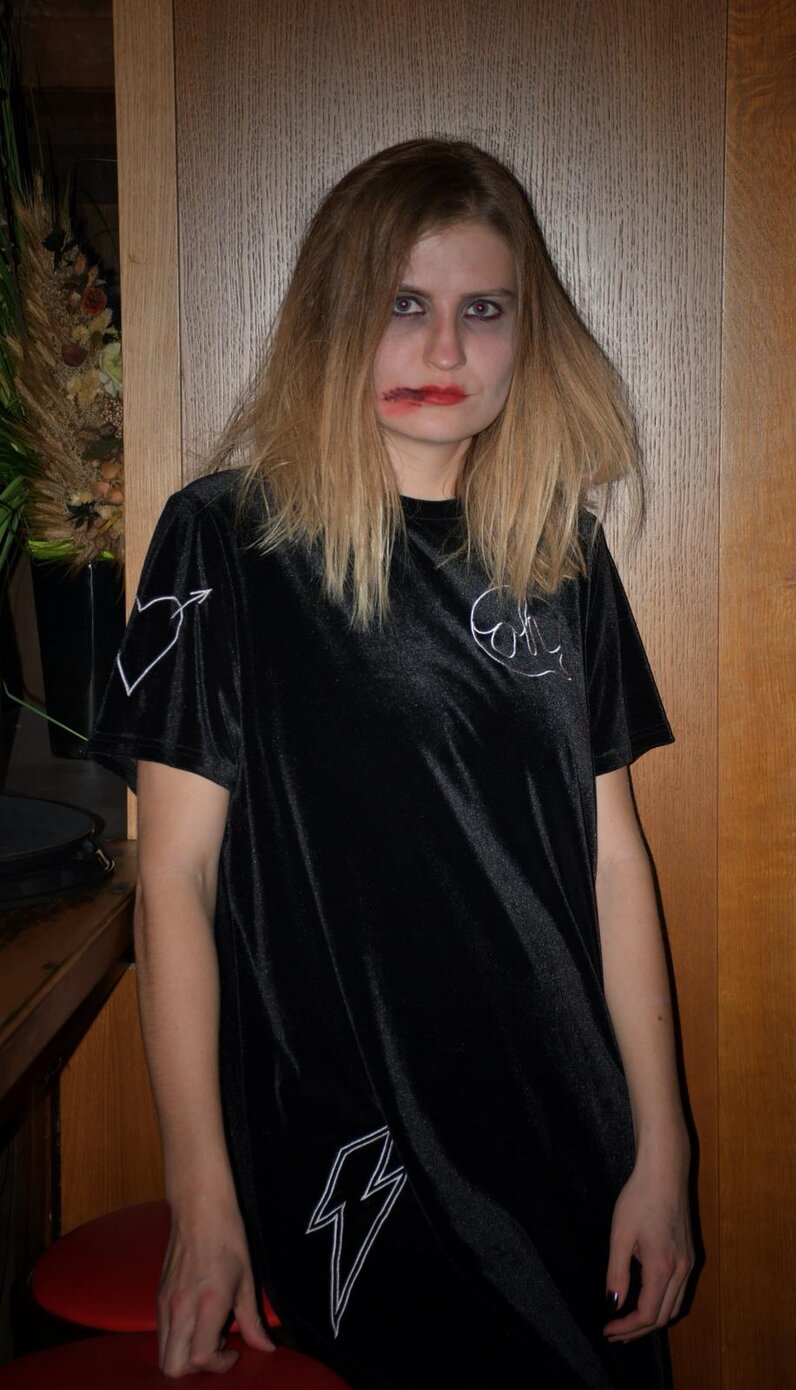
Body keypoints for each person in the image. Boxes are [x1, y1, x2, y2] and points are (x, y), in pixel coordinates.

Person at [86, 139, 693, 1389]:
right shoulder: (227, 541)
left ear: (526, 335)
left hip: (559, 1125)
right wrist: (201, 1196)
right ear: (336, 314)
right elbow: (176, 883)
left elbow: (613, 863)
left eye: (484, 310)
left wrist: (662, 1148)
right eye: (403, 304)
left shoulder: (559, 554)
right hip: (343, 1143)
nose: (444, 350)